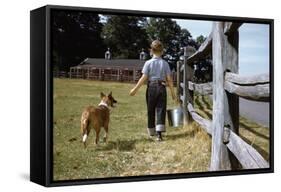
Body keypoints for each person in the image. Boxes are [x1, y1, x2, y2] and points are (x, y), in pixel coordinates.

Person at [129, 40, 176, 141]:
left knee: (151, 110)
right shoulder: (165, 64)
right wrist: (173, 93)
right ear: (162, 51)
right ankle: (159, 135)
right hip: (162, 87)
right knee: (161, 109)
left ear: (151, 51)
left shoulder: (148, 63)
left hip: (151, 88)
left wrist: (135, 89)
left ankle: (151, 132)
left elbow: (143, 78)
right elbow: (170, 80)